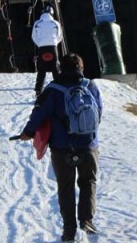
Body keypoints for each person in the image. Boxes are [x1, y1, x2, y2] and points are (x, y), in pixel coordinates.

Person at [19, 53, 103, 242]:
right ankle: (87, 219)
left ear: (60, 68)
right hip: (89, 145)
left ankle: (69, 230)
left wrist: (28, 132)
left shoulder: (53, 90)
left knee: (65, 187)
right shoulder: (91, 86)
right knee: (88, 181)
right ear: (81, 68)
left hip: (62, 148)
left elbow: (39, 114)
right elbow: (99, 113)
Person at [31, 5, 63, 97]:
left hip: (42, 48)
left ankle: (38, 91)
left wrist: (40, 44)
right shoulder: (56, 23)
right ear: (52, 13)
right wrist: (55, 42)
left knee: (41, 71)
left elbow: (33, 36)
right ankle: (59, 90)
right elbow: (60, 36)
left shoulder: (37, 23)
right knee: (55, 69)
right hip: (53, 48)